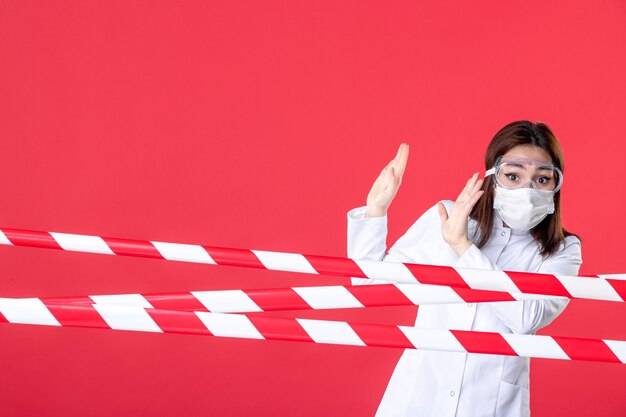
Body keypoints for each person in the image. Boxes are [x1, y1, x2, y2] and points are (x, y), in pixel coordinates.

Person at [347, 121, 582, 417]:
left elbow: (526, 318)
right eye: (513, 176)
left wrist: (463, 248)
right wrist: (376, 210)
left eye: (542, 180)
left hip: (490, 405)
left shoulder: (562, 249)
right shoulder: (446, 216)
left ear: (554, 187)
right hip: (417, 398)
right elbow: (369, 285)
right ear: (491, 178)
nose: (527, 190)